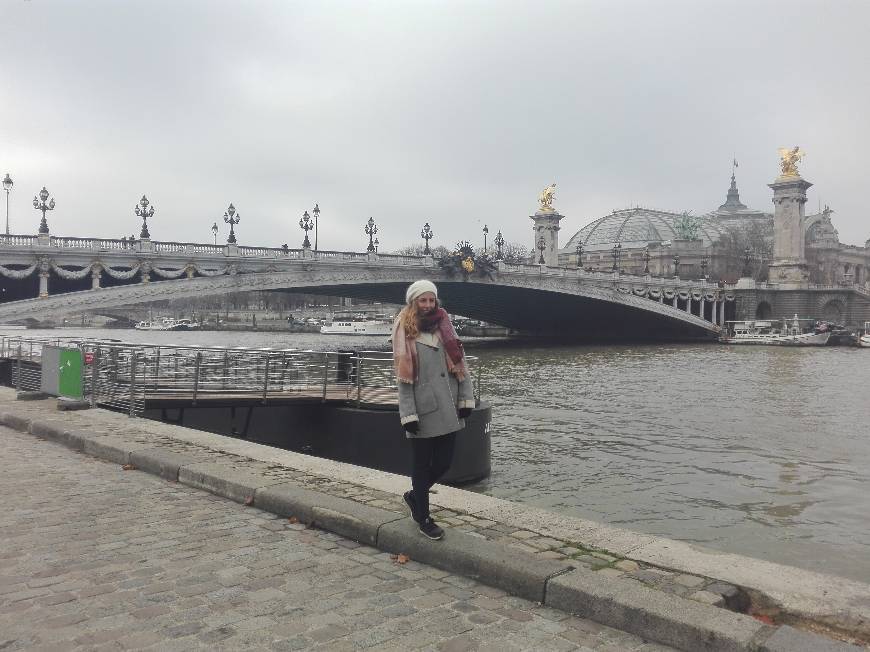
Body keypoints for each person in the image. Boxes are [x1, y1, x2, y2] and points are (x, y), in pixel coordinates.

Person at [392, 280, 475, 540]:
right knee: (421, 464)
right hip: (423, 407)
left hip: (448, 404)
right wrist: (408, 414)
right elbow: (403, 377)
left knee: (444, 462)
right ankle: (424, 517)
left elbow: (462, 366)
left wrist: (465, 400)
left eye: (431, 300)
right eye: (422, 300)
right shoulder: (404, 330)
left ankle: (414, 495)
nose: (428, 305)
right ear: (413, 302)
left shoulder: (445, 326)